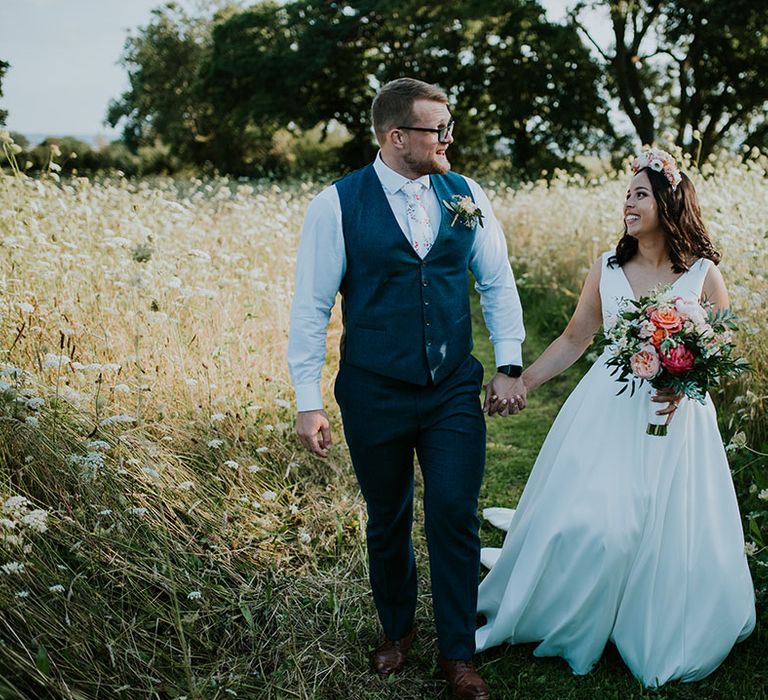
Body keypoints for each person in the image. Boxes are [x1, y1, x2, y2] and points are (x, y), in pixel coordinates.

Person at [475, 148, 756, 686]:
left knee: (663, 523)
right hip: (608, 405)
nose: (629, 203)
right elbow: (576, 337)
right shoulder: (606, 265)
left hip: (675, 416)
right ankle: (576, 607)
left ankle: (647, 615)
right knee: (605, 523)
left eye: (641, 194)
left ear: (668, 202)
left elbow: (720, 341)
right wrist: (523, 381)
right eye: (627, 195)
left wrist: (686, 382)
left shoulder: (701, 271)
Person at [288, 77, 526, 699]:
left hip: (451, 387)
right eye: (437, 129)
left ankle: (458, 653)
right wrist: (307, 399)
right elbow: (311, 308)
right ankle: (397, 631)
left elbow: (496, 282)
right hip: (372, 390)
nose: (449, 138)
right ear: (398, 137)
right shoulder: (336, 205)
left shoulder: (466, 194)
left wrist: (508, 363)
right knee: (387, 516)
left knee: (453, 512)